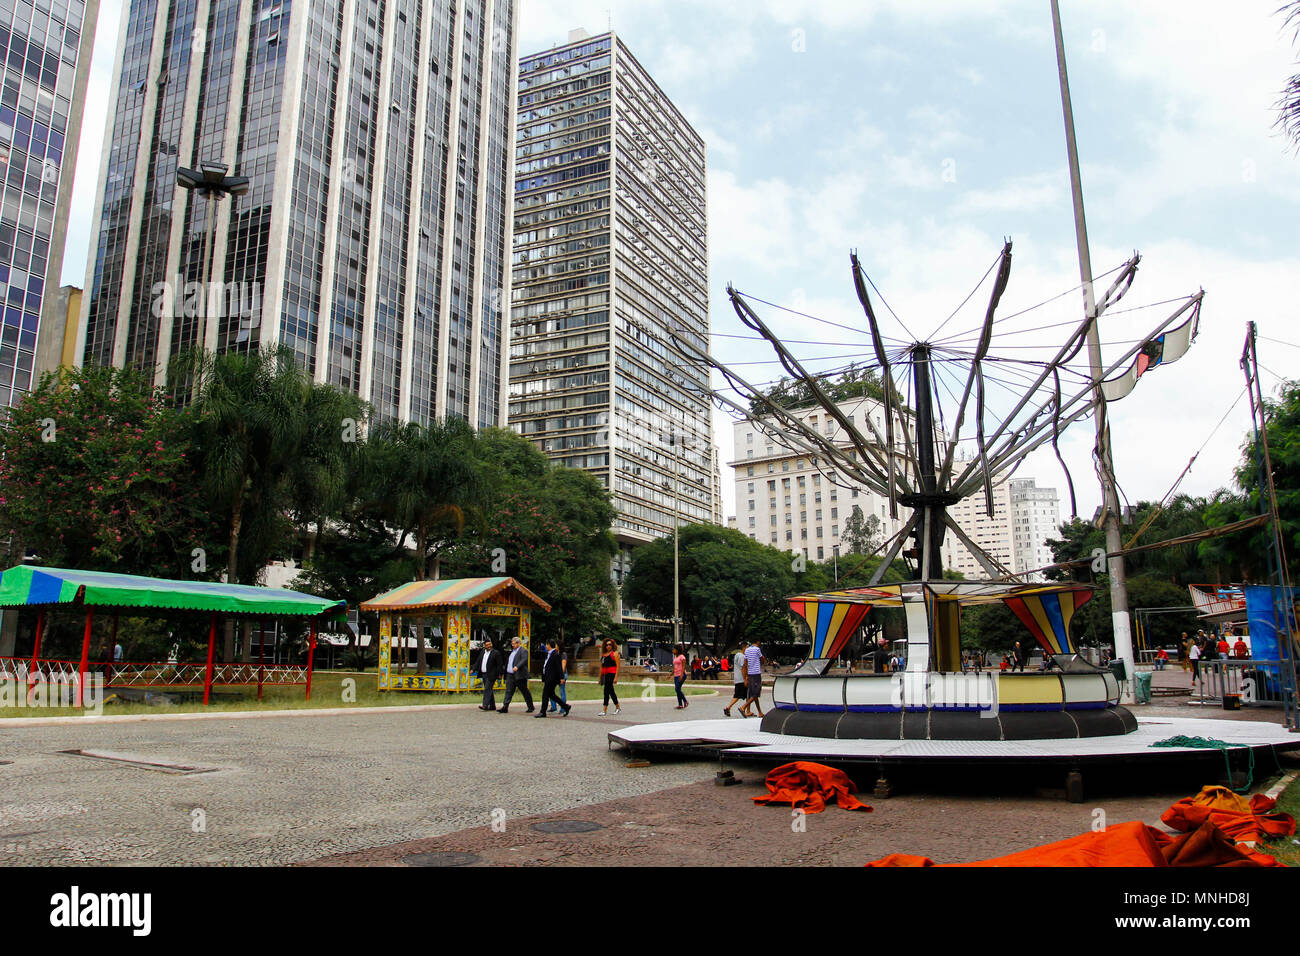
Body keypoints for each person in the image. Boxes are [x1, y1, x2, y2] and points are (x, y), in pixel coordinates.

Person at [535, 638, 571, 718]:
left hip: (552, 679)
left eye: (546, 644)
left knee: (545, 695)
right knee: (551, 695)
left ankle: (542, 712)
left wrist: (561, 678)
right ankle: (566, 706)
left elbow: (559, 667)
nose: (546, 646)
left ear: (548, 645)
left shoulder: (555, 654)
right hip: (548, 677)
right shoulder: (549, 654)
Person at [498, 636, 534, 714]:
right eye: (512, 643)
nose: (512, 645)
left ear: (518, 643)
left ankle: (530, 706)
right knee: (508, 691)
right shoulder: (512, 652)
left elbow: (524, 660)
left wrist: (517, 666)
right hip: (510, 675)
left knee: (524, 691)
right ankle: (505, 707)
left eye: (514, 643)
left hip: (519, 675)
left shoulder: (523, 651)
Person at [740, 639, 765, 718]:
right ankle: (743, 707)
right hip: (756, 673)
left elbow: (745, 663)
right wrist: (763, 660)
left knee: (753, 693)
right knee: (756, 693)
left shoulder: (747, 650)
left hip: (750, 674)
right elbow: (762, 659)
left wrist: (746, 676)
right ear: (757, 642)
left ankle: (760, 712)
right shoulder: (757, 649)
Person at [478, 638, 504, 711]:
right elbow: (478, 661)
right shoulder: (483, 652)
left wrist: (500, 673)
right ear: (484, 646)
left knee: (487, 689)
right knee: (489, 689)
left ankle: (485, 705)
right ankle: (492, 706)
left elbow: (500, 664)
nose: (489, 646)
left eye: (490, 644)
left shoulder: (496, 653)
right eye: (487, 645)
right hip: (484, 674)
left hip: (492, 674)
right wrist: (473, 668)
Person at [598, 638, 621, 716]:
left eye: (610, 644)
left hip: (612, 674)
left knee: (606, 691)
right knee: (611, 691)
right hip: (605, 674)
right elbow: (601, 667)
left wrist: (616, 677)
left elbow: (618, 666)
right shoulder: (603, 655)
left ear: (612, 645)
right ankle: (618, 707)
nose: (608, 646)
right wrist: (599, 678)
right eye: (607, 645)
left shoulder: (615, 654)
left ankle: (604, 710)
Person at [724, 645, 747, 716]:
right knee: (747, 695)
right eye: (747, 647)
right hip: (741, 679)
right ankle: (730, 707)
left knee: (737, 695)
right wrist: (745, 678)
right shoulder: (741, 656)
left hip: (737, 678)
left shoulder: (737, 655)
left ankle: (728, 708)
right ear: (744, 647)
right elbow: (743, 667)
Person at [548, 642, 569, 713]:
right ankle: (553, 707)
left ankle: (563, 708)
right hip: (555, 675)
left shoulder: (563, 654)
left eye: (556, 645)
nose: (555, 646)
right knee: (550, 690)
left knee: (562, 691)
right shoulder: (556, 653)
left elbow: (563, 666)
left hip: (561, 675)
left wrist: (561, 676)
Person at [672, 644, 689, 710]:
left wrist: (681, 674)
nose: (673, 650)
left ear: (677, 650)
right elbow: (675, 668)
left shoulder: (682, 657)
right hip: (676, 675)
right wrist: (670, 675)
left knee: (677, 689)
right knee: (678, 689)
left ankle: (685, 701)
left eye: (674, 649)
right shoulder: (675, 657)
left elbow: (684, 666)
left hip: (682, 675)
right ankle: (680, 704)